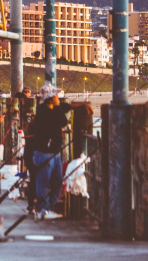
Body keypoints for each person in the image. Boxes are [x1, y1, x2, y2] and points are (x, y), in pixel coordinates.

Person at [31, 85, 92, 221]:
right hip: (44, 153)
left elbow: (66, 106)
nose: (58, 98)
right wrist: (58, 106)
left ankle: (49, 207)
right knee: (44, 183)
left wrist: (82, 105)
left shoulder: (52, 109)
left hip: (54, 153)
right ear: (51, 98)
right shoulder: (44, 112)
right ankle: (43, 210)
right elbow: (63, 121)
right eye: (56, 96)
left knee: (58, 182)